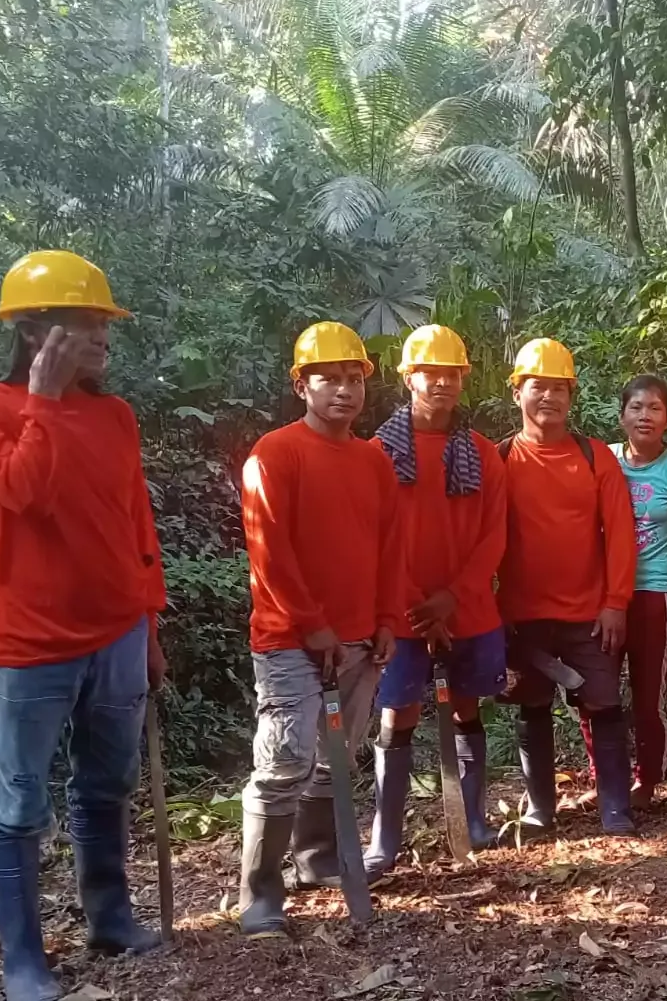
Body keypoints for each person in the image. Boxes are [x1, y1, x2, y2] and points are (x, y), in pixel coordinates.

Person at [0, 250, 167, 1001]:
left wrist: (150, 622)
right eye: (86, 322)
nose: (103, 335)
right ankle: (24, 958)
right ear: (35, 331)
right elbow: (23, 490)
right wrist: (41, 398)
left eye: (105, 322)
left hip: (118, 634)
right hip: (29, 647)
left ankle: (109, 919)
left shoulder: (115, 415)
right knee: (17, 806)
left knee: (107, 784)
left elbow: (136, 524)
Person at [235, 321, 403, 936]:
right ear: (301, 385)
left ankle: (317, 859)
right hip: (290, 640)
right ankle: (260, 893)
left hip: (361, 638)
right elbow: (268, 550)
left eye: (353, 378)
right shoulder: (275, 454)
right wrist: (312, 626)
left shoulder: (373, 459)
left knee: (337, 758)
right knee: (286, 760)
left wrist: (387, 619)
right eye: (328, 378)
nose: (344, 389)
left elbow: (391, 547)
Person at [367, 324, 508, 874]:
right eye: (431, 373)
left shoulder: (482, 454)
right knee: (397, 713)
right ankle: (385, 838)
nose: (442, 383)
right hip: (401, 615)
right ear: (409, 378)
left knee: (468, 708)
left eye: (452, 374)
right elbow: (374, 539)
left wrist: (453, 597)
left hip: (467, 610)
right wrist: (417, 607)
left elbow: (494, 535)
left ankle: (472, 821)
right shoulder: (378, 453)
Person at [497, 337, 639, 836]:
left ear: (571, 395)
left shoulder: (595, 457)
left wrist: (616, 603)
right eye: (538, 386)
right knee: (532, 704)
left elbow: (620, 534)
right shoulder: (499, 459)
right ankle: (541, 809)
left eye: (559, 388)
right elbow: (479, 538)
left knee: (603, 702)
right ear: (517, 392)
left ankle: (615, 807)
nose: (549, 397)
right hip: (523, 615)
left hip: (589, 614)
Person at [603, 374, 667, 807]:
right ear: (622, 415)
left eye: (654, 408)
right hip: (606, 597)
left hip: (656, 594)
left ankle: (646, 782)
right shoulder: (605, 460)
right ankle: (606, 778)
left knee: (648, 698)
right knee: (598, 694)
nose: (645, 416)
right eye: (636, 407)